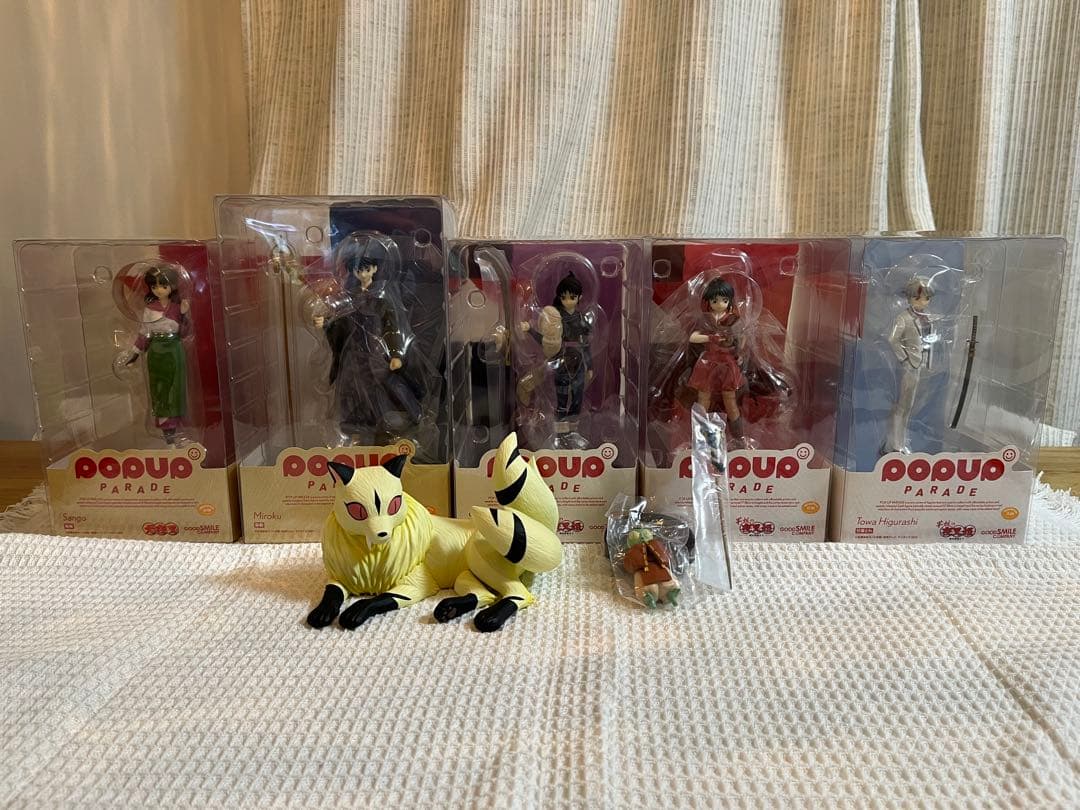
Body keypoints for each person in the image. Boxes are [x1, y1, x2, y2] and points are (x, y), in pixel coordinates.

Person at [119, 264, 190, 445]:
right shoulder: (150, 309)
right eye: (154, 286)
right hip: (157, 351)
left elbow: (183, 333)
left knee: (176, 388)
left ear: (172, 286)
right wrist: (134, 355)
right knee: (160, 388)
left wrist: (183, 315)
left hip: (174, 350)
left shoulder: (177, 307)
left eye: (163, 286)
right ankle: (168, 434)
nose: (159, 290)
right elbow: (144, 334)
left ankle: (177, 430)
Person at [687, 277, 747, 444]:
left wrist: (738, 349)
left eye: (724, 300)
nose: (720, 304)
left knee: (730, 400)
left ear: (729, 301)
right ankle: (698, 436)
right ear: (709, 301)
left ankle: (739, 437)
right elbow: (693, 337)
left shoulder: (733, 319)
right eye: (715, 301)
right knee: (703, 399)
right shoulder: (705, 319)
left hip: (727, 362)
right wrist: (710, 337)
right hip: (708, 361)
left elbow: (742, 338)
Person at [884, 275, 937, 453]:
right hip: (910, 366)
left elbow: (930, 340)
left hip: (921, 366)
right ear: (909, 298)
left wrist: (929, 361)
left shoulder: (928, 318)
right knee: (903, 406)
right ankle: (896, 444)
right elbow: (892, 339)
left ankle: (901, 440)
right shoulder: (903, 318)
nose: (922, 302)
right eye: (917, 298)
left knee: (912, 406)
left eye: (926, 298)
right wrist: (905, 359)